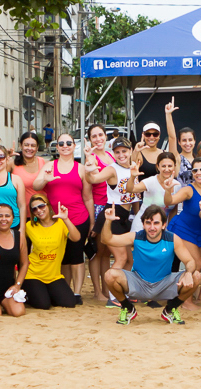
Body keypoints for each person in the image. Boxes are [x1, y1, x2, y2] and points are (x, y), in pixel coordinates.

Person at [101, 205, 200, 325]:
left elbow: (190, 261)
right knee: (110, 275)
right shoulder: (136, 237)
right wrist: (108, 221)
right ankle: (128, 308)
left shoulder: (172, 239)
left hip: (165, 283)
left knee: (196, 276)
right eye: (148, 223)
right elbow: (107, 240)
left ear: (163, 225)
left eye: (156, 223)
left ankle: (170, 308)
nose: (152, 227)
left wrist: (188, 273)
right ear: (143, 225)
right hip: (138, 283)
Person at [33, 133, 94, 304]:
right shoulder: (49, 166)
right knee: (63, 257)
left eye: (68, 143)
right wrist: (45, 180)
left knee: (76, 256)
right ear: (57, 147)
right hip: (55, 220)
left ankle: (77, 292)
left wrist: (92, 222)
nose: (65, 146)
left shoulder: (81, 168)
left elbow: (88, 197)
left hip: (78, 218)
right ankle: (65, 289)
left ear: (74, 146)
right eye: (61, 143)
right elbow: (36, 185)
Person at [83, 137, 137, 304]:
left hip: (124, 218)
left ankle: (123, 292)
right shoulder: (112, 169)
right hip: (112, 216)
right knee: (120, 258)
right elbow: (94, 179)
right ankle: (114, 297)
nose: (121, 155)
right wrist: (89, 163)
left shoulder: (133, 167)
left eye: (124, 151)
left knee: (129, 260)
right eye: (117, 152)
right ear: (113, 154)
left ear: (130, 151)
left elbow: (134, 197)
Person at [163, 156, 201, 309]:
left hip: (200, 232)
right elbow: (170, 201)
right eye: (195, 170)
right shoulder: (188, 189)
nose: (198, 173)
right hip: (183, 229)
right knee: (196, 263)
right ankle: (186, 301)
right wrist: (167, 190)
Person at [24, 194, 82, 309]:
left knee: (69, 303)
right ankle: (30, 293)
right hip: (33, 274)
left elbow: (76, 238)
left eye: (41, 206)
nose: (38, 210)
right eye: (34, 209)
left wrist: (66, 219)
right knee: (43, 305)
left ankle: (42, 293)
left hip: (54, 275)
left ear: (48, 205)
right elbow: (19, 243)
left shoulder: (60, 223)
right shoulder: (29, 226)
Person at [82, 123, 117, 301]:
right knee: (97, 253)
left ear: (105, 136)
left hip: (112, 207)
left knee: (106, 253)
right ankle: (97, 291)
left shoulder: (110, 155)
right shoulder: (92, 159)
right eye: (94, 136)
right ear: (89, 140)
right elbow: (87, 194)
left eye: (100, 135)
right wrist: (92, 221)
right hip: (99, 208)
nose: (98, 139)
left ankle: (105, 289)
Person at [0, 205, 28, 317]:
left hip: (8, 288)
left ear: (13, 218)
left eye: (7, 216)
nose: (4, 219)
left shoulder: (19, 236)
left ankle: (0, 303)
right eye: (0, 216)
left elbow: (24, 263)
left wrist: (17, 285)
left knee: (18, 312)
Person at [127, 152, 180, 234]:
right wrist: (132, 176)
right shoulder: (151, 181)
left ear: (174, 166)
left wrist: (169, 229)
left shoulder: (177, 185)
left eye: (170, 166)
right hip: (141, 226)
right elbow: (131, 189)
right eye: (163, 166)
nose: (166, 169)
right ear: (158, 166)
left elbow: (173, 210)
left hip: (160, 228)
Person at [11, 131, 47, 198]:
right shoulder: (12, 164)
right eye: (26, 145)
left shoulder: (44, 163)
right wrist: (5, 156)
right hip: (20, 204)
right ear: (20, 145)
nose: (29, 148)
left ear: (37, 147)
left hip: (41, 204)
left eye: (33, 146)